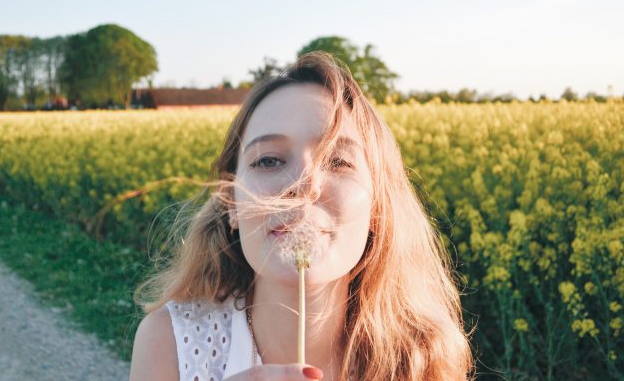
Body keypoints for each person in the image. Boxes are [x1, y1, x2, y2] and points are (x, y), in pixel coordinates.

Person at [129, 52, 473, 381]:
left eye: (337, 162)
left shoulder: (422, 356)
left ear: (377, 208)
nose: (302, 185)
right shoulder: (170, 344)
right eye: (268, 160)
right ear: (231, 203)